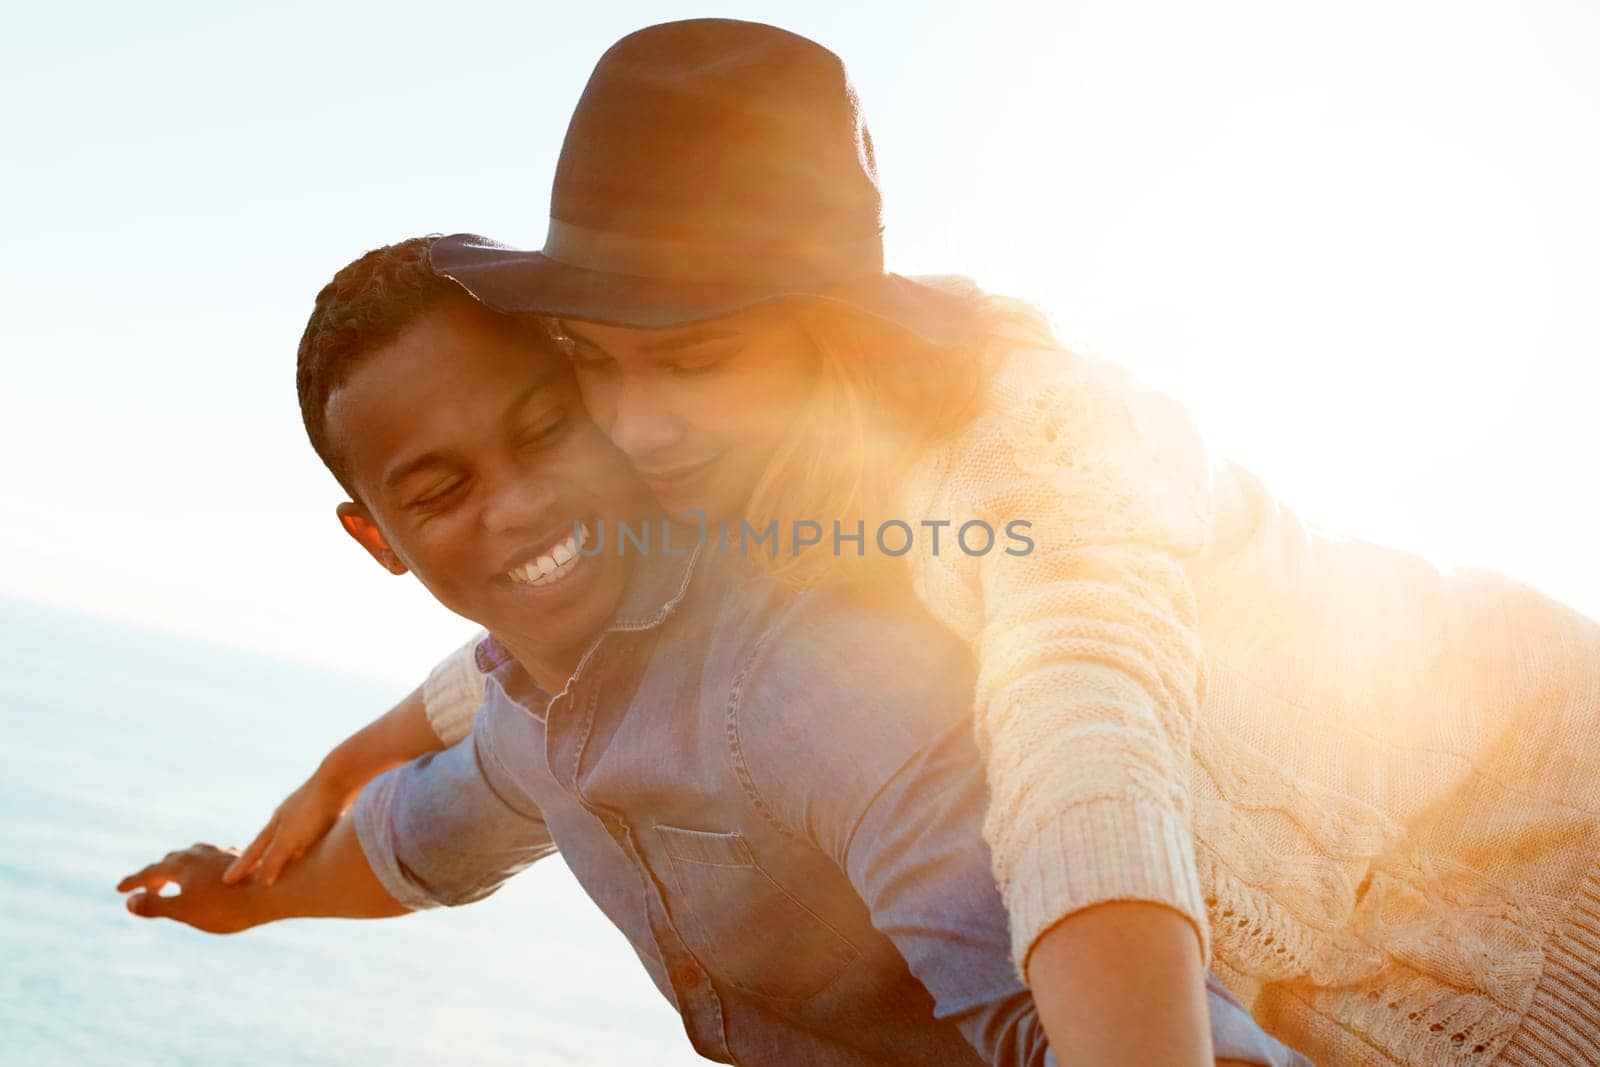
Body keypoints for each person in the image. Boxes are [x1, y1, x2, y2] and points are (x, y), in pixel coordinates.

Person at [225, 20, 1600, 1066]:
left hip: (1540, 852)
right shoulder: (741, 452)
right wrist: (359, 755)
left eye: (692, 358)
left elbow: (1087, 761)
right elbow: (545, 652)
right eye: (595, 357)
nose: (636, 424)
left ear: (821, 322)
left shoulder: (1036, 454)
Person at [118, 237, 1307, 1067]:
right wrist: (249, 899)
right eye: (443, 492)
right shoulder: (534, 712)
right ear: (377, 538)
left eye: (547, 429)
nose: (523, 503)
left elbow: (1068, 1000)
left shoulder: (806, 675)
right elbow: (427, 832)